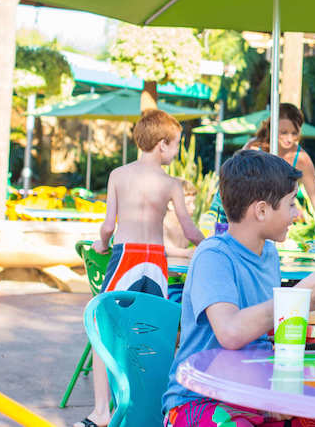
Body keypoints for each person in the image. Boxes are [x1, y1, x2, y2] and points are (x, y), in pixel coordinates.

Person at [162, 150, 315, 427]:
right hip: (200, 399)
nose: (297, 213)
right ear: (262, 210)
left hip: (254, 393)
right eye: (291, 204)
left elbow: (270, 331)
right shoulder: (214, 256)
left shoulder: (269, 254)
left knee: (314, 421)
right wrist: (299, 294)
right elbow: (230, 332)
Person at [75, 109, 206, 427]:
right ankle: (156, 409)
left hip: (126, 258)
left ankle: (101, 412)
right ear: (162, 144)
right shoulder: (171, 183)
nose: (176, 152)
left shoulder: (118, 175)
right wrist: (213, 246)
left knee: (103, 330)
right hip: (156, 263)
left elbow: (108, 226)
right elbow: (190, 232)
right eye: (176, 145)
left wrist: (101, 244)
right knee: (158, 334)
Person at [209, 103, 315, 229]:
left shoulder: (302, 159)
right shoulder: (254, 149)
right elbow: (235, 187)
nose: (289, 138)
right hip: (231, 210)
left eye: (294, 133)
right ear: (272, 129)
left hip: (263, 217)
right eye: (284, 132)